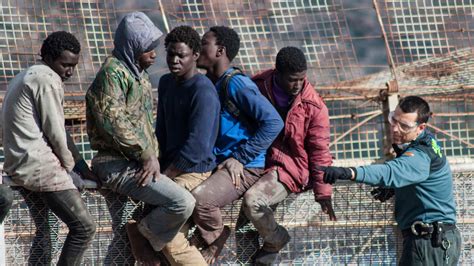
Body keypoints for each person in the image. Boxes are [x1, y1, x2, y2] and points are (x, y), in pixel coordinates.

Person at [86, 12, 195, 265]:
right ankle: (144, 232)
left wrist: (151, 157)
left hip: (138, 164)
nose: (154, 55)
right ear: (132, 47)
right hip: (117, 164)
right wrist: (145, 154)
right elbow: (114, 122)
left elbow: (144, 124)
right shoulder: (113, 74)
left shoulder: (139, 76)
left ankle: (143, 235)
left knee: (128, 239)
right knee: (182, 201)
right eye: (147, 49)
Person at [321, 96, 461, 266]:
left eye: (404, 126)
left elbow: (391, 171)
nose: (395, 128)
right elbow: (420, 179)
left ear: (420, 127)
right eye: (394, 120)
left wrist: (349, 172)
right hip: (433, 241)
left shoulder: (421, 155)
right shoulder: (425, 141)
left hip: (429, 243)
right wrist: (398, 188)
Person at [2, 31, 97, 265]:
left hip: (21, 164)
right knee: (84, 227)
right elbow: (55, 131)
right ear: (50, 58)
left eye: (73, 66)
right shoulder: (47, 79)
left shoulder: (26, 75)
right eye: (65, 64)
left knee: (46, 229)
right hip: (40, 166)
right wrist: (69, 169)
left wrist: (81, 166)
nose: (69, 72)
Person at [191, 26, 284, 264]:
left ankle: (217, 237)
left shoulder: (236, 84)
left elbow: (273, 122)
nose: (197, 48)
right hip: (220, 162)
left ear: (220, 51)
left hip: (245, 167)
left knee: (201, 200)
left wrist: (240, 157)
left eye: (204, 43)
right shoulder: (208, 82)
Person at [241, 46, 336, 265]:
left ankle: (277, 239)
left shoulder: (314, 106)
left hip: (289, 168)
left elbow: (320, 150)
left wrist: (323, 192)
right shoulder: (259, 86)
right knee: (244, 231)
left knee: (254, 201)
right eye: (293, 79)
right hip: (255, 160)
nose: (298, 85)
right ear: (278, 73)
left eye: (302, 79)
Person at [156, 25, 220, 265]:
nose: (174, 60)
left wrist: (166, 175)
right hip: (170, 167)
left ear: (194, 55)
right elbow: (160, 130)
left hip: (194, 171)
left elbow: (198, 145)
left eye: (180, 55)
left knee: (168, 236)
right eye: (170, 54)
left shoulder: (203, 91)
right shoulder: (166, 83)